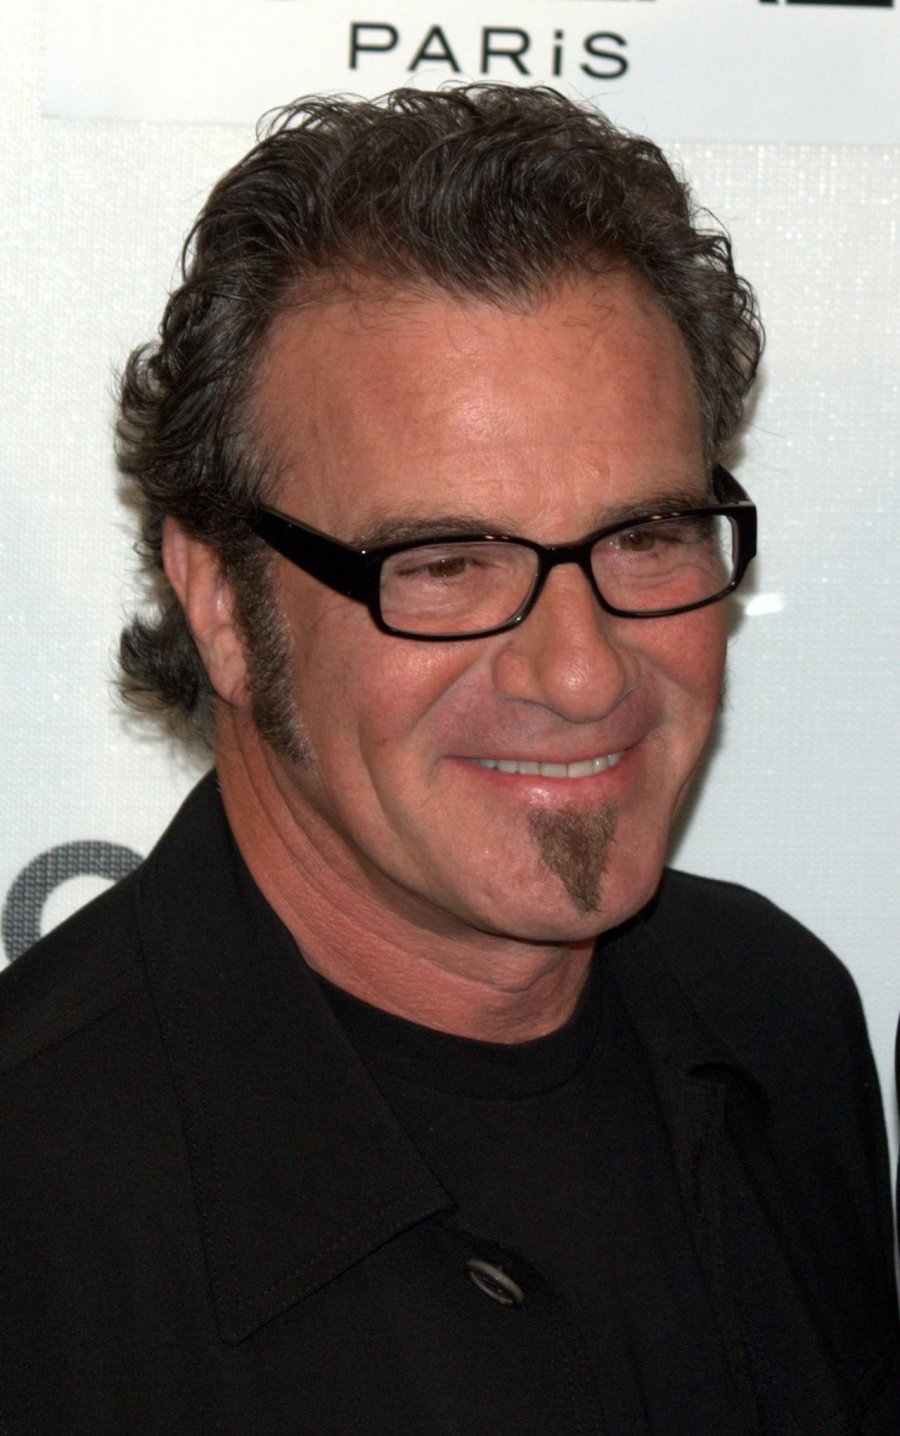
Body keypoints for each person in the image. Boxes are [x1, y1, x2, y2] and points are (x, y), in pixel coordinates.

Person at [0, 86, 897, 1435]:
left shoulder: (780, 1021)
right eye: (444, 564)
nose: (582, 672)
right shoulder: (34, 1207)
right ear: (224, 605)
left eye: (645, 536)